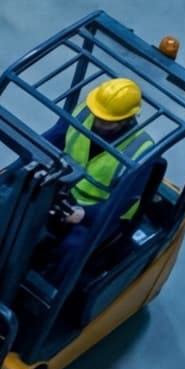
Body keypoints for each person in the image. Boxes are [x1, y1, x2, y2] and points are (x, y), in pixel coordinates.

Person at [41, 78, 157, 280]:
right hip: (65, 191)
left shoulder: (141, 152)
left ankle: (49, 293)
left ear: (126, 119)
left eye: (105, 121)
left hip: (101, 212)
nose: (96, 122)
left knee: (73, 248)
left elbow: (118, 206)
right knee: (18, 205)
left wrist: (83, 214)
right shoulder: (84, 112)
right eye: (97, 115)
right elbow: (51, 139)